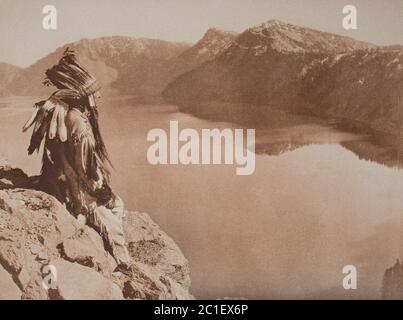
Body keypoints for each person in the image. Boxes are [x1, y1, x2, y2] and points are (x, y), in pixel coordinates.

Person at [22, 48, 130, 266]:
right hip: (82, 196)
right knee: (115, 229)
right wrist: (102, 192)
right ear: (84, 95)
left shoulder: (70, 116)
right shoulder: (78, 122)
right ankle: (121, 266)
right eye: (94, 93)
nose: (98, 96)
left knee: (118, 204)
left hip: (72, 187)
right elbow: (85, 170)